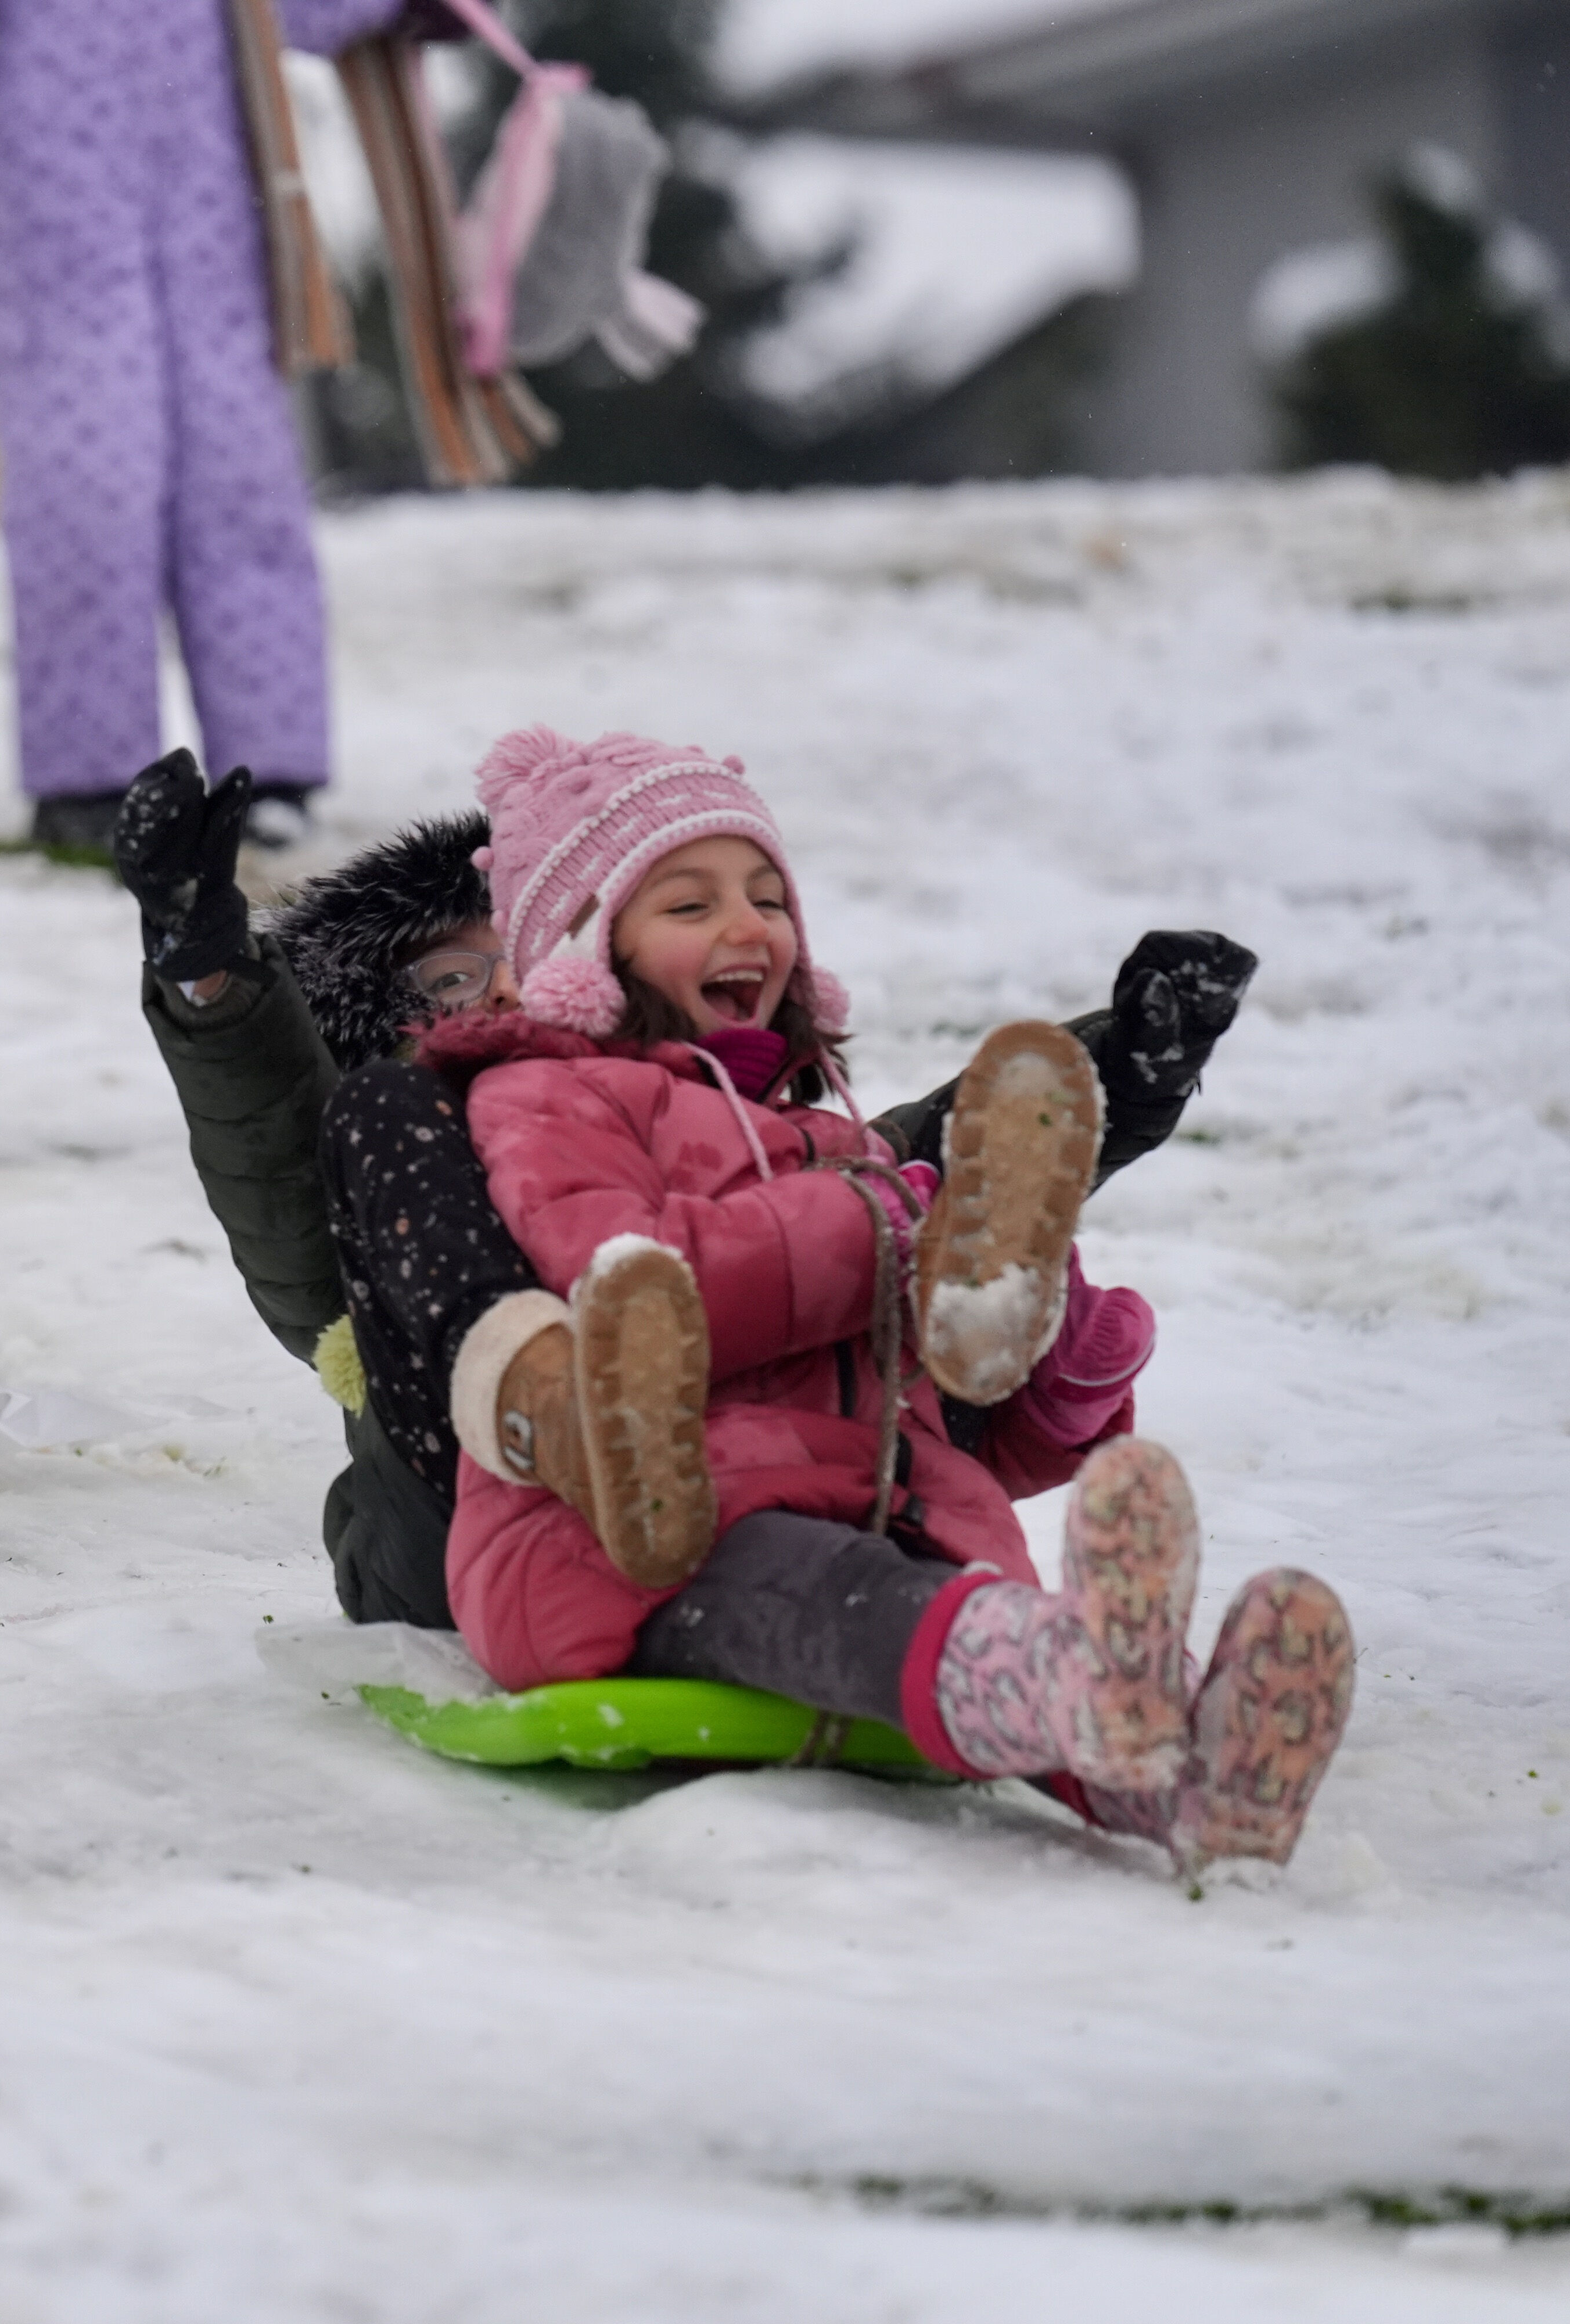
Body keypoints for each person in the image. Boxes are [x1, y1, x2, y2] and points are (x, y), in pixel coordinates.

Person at [416, 726, 1354, 1877]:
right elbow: (636, 1279)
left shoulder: (837, 1140)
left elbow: (932, 1407)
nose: (749, 926)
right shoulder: (548, 1096)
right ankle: (1081, 1674)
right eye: (689, 904)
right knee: (853, 1600)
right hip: (639, 1534)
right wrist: (890, 1226)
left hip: (873, 1498)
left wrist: (1056, 1363)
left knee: (931, 1587)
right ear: (577, 953)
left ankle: (1189, 1782)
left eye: (769, 897)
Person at [110, 747, 1263, 1637]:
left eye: (516, 947)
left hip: (725, 1491)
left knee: (865, 1222)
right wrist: (211, 973)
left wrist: (1122, 1058)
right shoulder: (398, 1153)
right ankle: (553, 1407)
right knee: (396, 1134)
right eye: (449, 975)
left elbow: (925, 1162)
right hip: (452, 1524)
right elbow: (276, 1163)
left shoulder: (692, 1111)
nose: (495, 989)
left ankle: (954, 1584)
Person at [0, 0, 423, 852]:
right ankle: (90, 779)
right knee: (87, 494)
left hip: (216, 208)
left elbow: (294, 13)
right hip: (62, 211)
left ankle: (269, 771)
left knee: (241, 486)